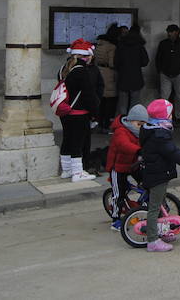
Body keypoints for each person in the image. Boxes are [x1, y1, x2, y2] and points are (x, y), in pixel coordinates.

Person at [140, 99, 180, 252]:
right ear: (163, 116)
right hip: (157, 174)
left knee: (161, 205)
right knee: (154, 208)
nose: (171, 117)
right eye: (169, 114)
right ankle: (152, 241)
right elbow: (174, 153)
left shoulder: (153, 129)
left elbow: (172, 151)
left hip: (159, 172)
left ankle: (161, 231)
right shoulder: (160, 135)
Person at [58, 39, 102, 181]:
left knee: (67, 139)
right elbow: (89, 95)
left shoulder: (64, 68)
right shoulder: (82, 71)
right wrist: (96, 114)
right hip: (79, 112)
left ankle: (67, 170)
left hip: (65, 111)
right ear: (87, 55)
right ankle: (77, 172)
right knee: (78, 142)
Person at [105, 103, 148, 230]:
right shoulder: (121, 131)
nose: (141, 127)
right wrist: (139, 151)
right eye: (139, 124)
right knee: (118, 194)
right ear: (131, 120)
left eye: (143, 125)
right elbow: (124, 145)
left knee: (147, 182)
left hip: (133, 164)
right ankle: (116, 220)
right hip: (117, 167)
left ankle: (144, 208)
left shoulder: (140, 133)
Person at [155, 24, 180, 123]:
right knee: (164, 97)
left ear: (176, 32)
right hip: (165, 74)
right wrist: (160, 70)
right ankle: (163, 116)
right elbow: (158, 58)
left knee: (179, 96)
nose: (169, 34)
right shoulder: (163, 44)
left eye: (171, 32)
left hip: (179, 74)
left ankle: (179, 116)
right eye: (168, 32)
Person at [114, 24, 149, 114]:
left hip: (123, 76)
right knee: (134, 102)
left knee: (122, 103)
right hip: (136, 76)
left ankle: (122, 123)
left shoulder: (121, 45)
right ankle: (132, 123)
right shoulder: (140, 46)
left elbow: (116, 62)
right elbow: (145, 62)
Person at [94, 23, 120, 133]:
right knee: (110, 100)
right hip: (109, 74)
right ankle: (107, 124)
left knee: (101, 100)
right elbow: (112, 63)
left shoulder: (98, 45)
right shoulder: (112, 47)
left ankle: (99, 123)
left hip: (99, 71)